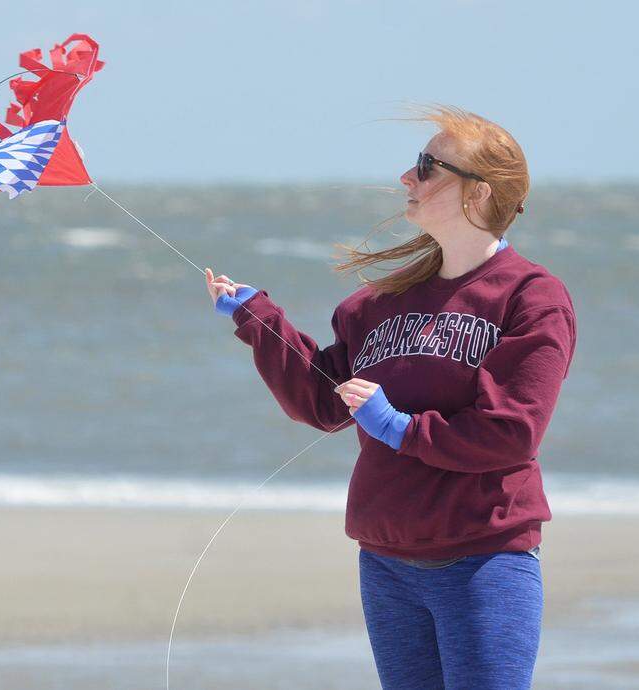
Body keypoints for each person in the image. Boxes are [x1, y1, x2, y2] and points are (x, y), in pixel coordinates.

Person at [205, 106, 576, 690]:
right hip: (386, 562)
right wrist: (258, 319)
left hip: (484, 561)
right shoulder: (377, 305)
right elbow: (323, 403)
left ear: (478, 195)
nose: (408, 178)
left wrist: (400, 428)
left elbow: (512, 431)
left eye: (428, 167)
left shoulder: (532, 297)